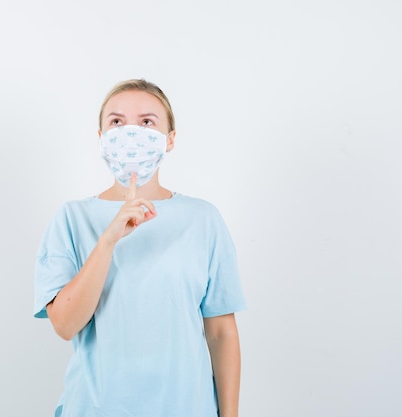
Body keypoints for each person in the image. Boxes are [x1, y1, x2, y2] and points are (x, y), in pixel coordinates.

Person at [34, 79, 246, 417]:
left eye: (147, 122)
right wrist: (109, 239)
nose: (131, 132)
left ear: (170, 139)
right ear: (102, 138)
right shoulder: (72, 218)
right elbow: (65, 324)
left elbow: (221, 332)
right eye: (116, 122)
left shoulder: (203, 219)